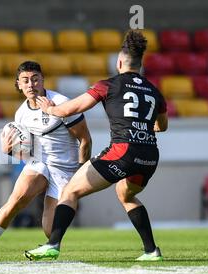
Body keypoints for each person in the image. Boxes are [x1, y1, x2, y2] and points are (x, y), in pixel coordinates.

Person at [24, 30, 168, 262]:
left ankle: (52, 245)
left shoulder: (108, 85)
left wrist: (50, 109)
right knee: (126, 194)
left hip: (122, 152)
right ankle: (151, 251)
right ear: (140, 65)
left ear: (119, 62)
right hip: (150, 156)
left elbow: (69, 110)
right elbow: (162, 126)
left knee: (70, 191)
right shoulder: (155, 91)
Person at [0, 61, 92, 261]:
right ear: (18, 84)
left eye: (35, 79)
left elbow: (85, 139)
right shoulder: (21, 113)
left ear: (43, 80)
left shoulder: (61, 103)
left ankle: (51, 242)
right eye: (25, 80)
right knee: (16, 200)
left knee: (50, 230)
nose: (31, 84)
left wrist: (79, 175)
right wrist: (9, 150)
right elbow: (27, 151)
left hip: (65, 169)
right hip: (39, 163)